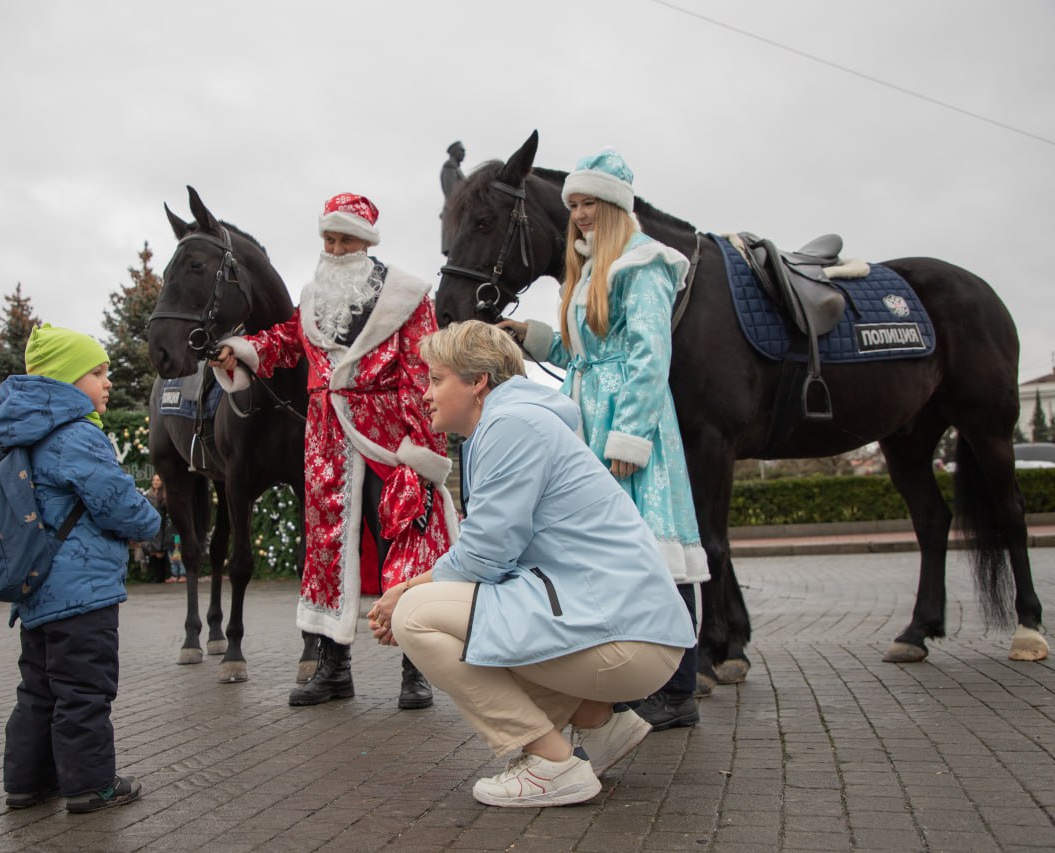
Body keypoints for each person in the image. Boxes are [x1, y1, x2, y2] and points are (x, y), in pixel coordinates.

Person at [368, 321, 694, 808]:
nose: (426, 393)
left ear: (478, 381)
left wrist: (403, 591)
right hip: (630, 631)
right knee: (462, 612)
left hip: (625, 638)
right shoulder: (514, 422)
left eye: (436, 379)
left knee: (417, 616)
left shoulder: (511, 424)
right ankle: (598, 725)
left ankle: (551, 765)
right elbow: (498, 557)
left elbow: (485, 555)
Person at [211, 192, 459, 709]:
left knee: (403, 541)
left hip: (390, 438)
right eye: (329, 237)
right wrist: (245, 350)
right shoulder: (314, 294)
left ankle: (418, 667)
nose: (336, 246)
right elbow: (286, 341)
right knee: (325, 547)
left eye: (346, 238)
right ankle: (333, 666)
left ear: (366, 242)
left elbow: (421, 372)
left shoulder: (407, 297)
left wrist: (423, 444)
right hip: (327, 439)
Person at [498, 149, 709, 732]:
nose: (581, 214)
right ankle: (632, 680)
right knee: (613, 551)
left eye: (590, 202)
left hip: (628, 420)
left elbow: (649, 355)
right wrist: (535, 335)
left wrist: (631, 437)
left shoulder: (643, 265)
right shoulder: (589, 269)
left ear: (614, 206)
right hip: (589, 413)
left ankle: (679, 688)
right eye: (574, 205)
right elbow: (582, 354)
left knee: (656, 550)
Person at [0, 323, 162, 814]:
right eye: (97, 371)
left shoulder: (24, 434)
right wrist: (150, 516)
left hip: (40, 590)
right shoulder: (77, 436)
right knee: (86, 689)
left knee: (39, 688)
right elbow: (117, 502)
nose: (107, 381)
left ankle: (27, 783)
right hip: (82, 591)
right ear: (67, 382)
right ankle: (90, 786)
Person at [143, 473, 171, 583]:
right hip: (150, 525)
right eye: (154, 480)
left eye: (158, 480)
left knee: (160, 551)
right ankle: (155, 576)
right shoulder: (148, 495)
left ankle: (161, 576)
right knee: (152, 552)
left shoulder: (165, 495)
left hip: (162, 525)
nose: (156, 482)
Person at [440, 140, 466, 255]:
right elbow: (450, 192)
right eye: (461, 150)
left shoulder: (455, 168)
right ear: (454, 152)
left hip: (456, 210)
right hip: (453, 210)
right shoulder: (449, 166)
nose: (463, 153)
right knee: (454, 249)